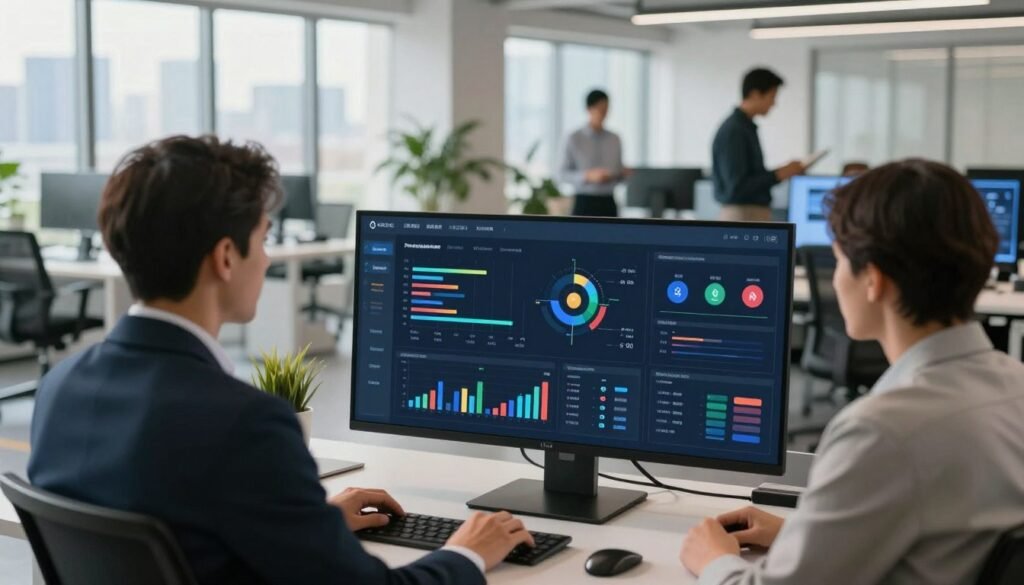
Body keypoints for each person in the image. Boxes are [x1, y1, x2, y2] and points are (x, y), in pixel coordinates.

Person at [27, 135, 534, 585]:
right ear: (226, 257)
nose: (267, 258)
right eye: (264, 238)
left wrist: (307, 524)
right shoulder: (245, 424)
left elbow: (178, 524)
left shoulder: (60, 387)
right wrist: (468, 552)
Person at [680, 159, 1024, 584]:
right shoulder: (1015, 386)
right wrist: (803, 534)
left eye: (839, 260)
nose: (836, 278)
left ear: (873, 280)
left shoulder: (882, 432)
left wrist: (713, 558)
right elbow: (944, 535)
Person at [712, 68, 805, 221]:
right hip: (742, 215)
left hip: (750, 213)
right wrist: (778, 174)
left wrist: (781, 173)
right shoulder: (735, 130)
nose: (774, 103)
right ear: (755, 94)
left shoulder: (745, 127)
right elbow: (737, 187)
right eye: (772, 96)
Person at [560, 89, 630, 217]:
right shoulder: (574, 138)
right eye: (600, 109)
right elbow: (562, 174)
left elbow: (619, 171)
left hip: (608, 201)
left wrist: (622, 174)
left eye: (606, 109)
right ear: (589, 109)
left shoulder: (615, 139)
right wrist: (586, 176)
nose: (604, 114)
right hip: (584, 201)